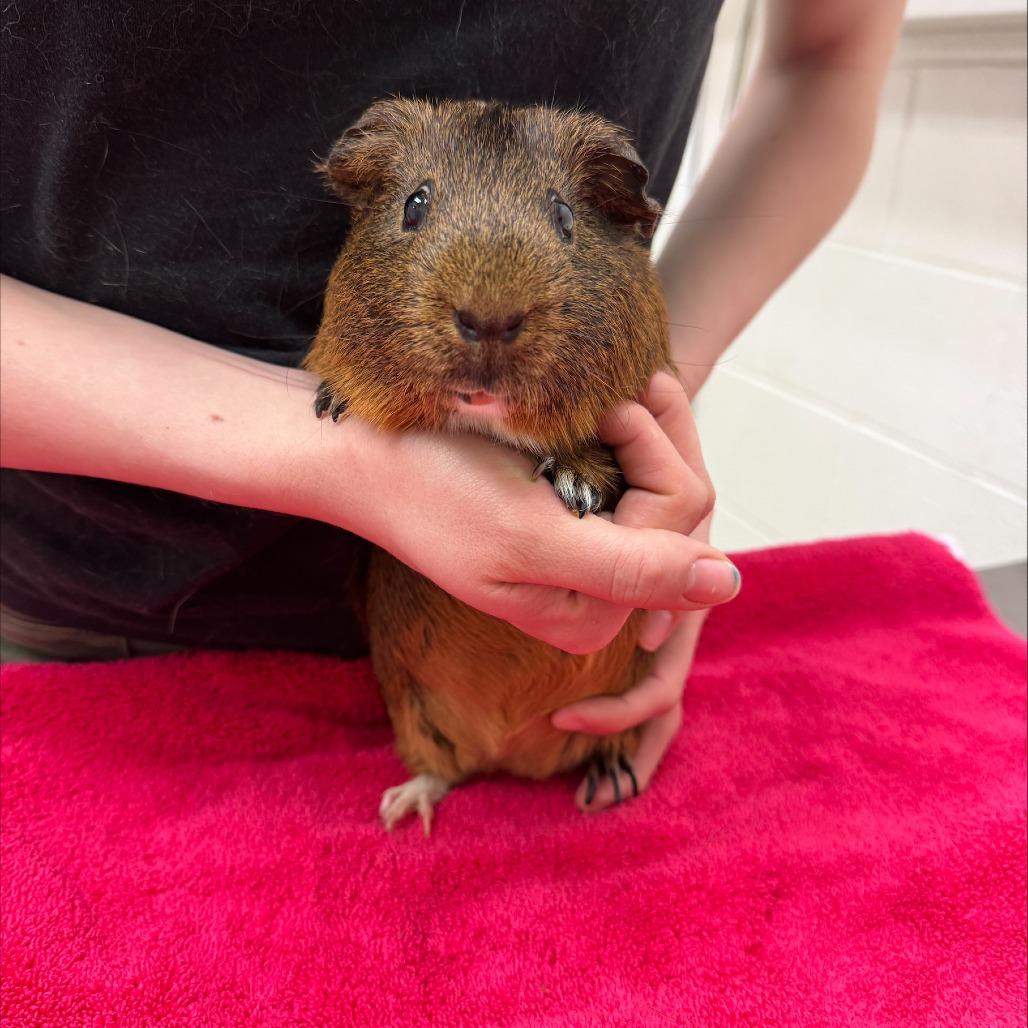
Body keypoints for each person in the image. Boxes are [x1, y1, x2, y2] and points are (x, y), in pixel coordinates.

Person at [0, 0, 905, 810]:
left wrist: (649, 420)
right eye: (421, 206)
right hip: (97, 628)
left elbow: (827, 59)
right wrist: (328, 451)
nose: (487, 302)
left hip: (564, 640)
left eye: (560, 219)